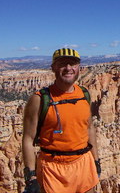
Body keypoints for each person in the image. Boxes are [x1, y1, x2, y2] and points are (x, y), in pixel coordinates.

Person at [22, 48, 100, 193]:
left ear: (79, 68)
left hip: (84, 165)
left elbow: (89, 128)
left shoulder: (84, 94)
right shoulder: (39, 99)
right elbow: (28, 139)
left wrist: (96, 160)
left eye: (73, 64)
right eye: (62, 64)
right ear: (53, 68)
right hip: (53, 170)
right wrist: (31, 176)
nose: (68, 68)